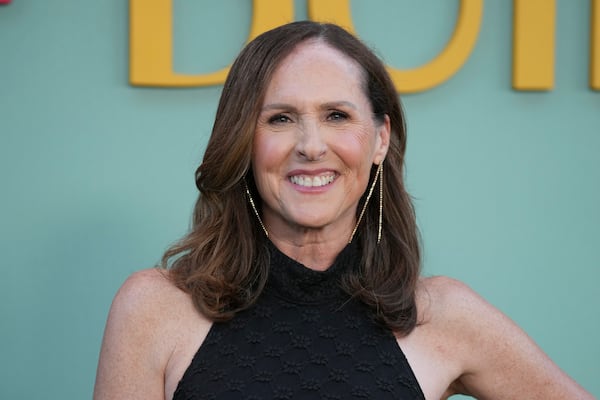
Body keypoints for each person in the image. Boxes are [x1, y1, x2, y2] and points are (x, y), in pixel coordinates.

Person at [93, 21, 593, 399]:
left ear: (380, 138)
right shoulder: (153, 309)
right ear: (244, 142)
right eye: (281, 118)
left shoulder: (442, 316)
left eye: (337, 116)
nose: (311, 146)